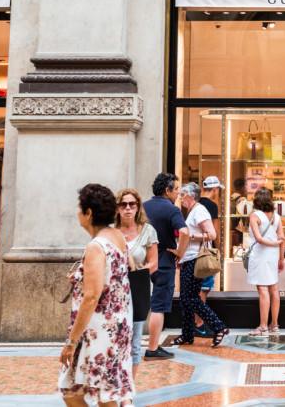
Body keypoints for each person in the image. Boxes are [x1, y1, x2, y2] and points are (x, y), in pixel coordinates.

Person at [58, 184, 133, 406]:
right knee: (98, 391)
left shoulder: (96, 246)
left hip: (98, 331)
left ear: (89, 212)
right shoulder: (118, 237)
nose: (77, 213)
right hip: (117, 327)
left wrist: (71, 342)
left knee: (84, 392)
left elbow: (92, 296)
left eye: (79, 208)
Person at [171, 183, 228, 347]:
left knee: (191, 298)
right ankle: (187, 335)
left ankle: (219, 326)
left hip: (195, 259)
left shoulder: (200, 210)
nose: (181, 198)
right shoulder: (193, 211)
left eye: (182, 195)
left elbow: (212, 234)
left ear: (190, 196)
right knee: (185, 299)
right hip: (188, 259)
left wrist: (190, 236)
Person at [141, 173, 188, 360]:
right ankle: (153, 348)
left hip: (141, 261)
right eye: (176, 189)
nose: (178, 193)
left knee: (138, 305)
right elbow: (185, 232)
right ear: (167, 190)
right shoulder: (172, 209)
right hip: (164, 261)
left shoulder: (143, 206)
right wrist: (180, 252)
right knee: (158, 306)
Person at [115, 188, 156, 371]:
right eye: (123, 204)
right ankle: (118, 379)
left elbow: (153, 263)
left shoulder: (148, 231)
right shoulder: (112, 232)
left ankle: (130, 384)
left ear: (138, 207)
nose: (128, 208)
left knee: (135, 341)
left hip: (138, 288)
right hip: (116, 290)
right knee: (116, 339)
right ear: (118, 208)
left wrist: (137, 270)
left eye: (132, 204)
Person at [247, 188, 285, 336]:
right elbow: (282, 239)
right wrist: (281, 258)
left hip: (260, 255)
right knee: (274, 289)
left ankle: (263, 327)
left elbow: (259, 239)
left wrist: (274, 244)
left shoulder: (254, 215)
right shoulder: (276, 217)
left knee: (263, 289)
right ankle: (274, 324)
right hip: (273, 255)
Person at [193, 176, 223, 337]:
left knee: (195, 288)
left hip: (192, 251)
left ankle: (195, 322)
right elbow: (215, 231)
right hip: (205, 252)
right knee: (204, 289)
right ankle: (199, 323)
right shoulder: (211, 206)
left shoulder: (194, 203)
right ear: (215, 189)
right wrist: (219, 249)